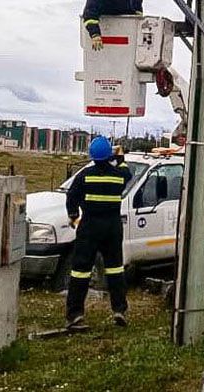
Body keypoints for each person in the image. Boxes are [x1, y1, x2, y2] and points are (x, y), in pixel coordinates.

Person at [65, 136, 132, 328]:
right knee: (115, 269)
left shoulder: (85, 175)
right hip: (112, 227)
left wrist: (72, 215)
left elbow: (72, 195)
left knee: (80, 271)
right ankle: (119, 309)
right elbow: (127, 172)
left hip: (90, 226)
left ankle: (75, 314)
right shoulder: (118, 175)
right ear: (108, 155)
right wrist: (120, 157)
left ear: (92, 156)